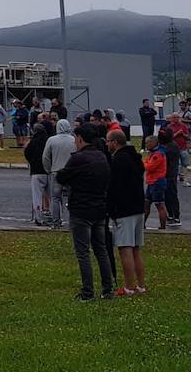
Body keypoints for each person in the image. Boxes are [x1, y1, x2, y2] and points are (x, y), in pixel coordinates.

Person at [57, 124, 114, 301]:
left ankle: (88, 292)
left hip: (81, 209)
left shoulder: (79, 158)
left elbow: (61, 176)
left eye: (75, 138)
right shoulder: (101, 156)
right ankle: (107, 289)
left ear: (80, 138)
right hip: (99, 208)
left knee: (83, 252)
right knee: (101, 250)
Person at [108, 128, 146, 296]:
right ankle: (141, 285)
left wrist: (111, 208)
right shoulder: (135, 157)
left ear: (115, 142)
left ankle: (129, 287)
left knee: (125, 248)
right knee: (136, 248)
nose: (107, 144)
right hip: (138, 206)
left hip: (124, 209)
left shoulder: (118, 160)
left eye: (108, 141)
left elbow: (114, 186)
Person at [43, 119, 77, 226]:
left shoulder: (51, 140)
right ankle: (72, 221)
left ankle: (56, 221)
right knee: (72, 198)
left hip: (56, 171)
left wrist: (48, 169)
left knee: (55, 198)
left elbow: (46, 157)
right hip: (71, 173)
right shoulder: (73, 140)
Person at [24, 124, 52, 225]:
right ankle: (54, 215)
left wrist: (32, 162)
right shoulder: (49, 141)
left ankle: (38, 217)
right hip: (49, 171)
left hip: (36, 171)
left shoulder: (32, 142)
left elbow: (27, 153)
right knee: (52, 196)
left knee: (37, 196)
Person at [143, 135, 168, 230]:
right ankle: (142, 224)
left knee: (159, 204)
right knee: (146, 204)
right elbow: (146, 163)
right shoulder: (152, 153)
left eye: (147, 142)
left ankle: (162, 226)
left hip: (157, 182)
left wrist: (145, 164)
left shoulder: (158, 154)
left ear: (153, 143)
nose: (146, 144)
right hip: (151, 182)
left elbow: (149, 167)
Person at [160, 129, 182, 226]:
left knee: (172, 195)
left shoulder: (172, 146)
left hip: (170, 174)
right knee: (166, 196)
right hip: (166, 174)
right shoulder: (167, 146)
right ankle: (170, 214)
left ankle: (176, 216)